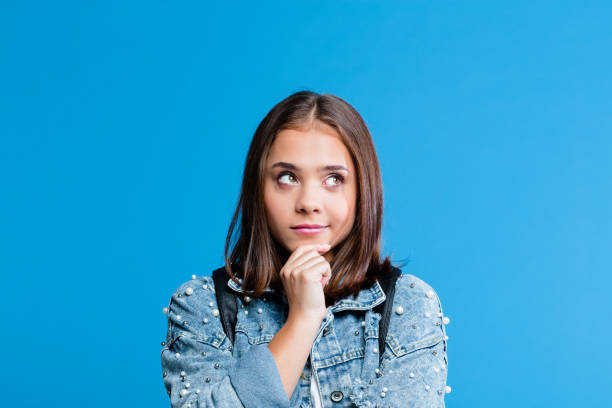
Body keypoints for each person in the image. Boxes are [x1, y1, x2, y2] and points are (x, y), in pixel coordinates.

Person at [160, 91, 451, 407]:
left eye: (333, 179)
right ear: (259, 189)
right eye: (287, 177)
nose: (309, 203)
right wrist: (302, 320)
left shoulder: (407, 304)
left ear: (362, 191)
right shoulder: (203, 306)